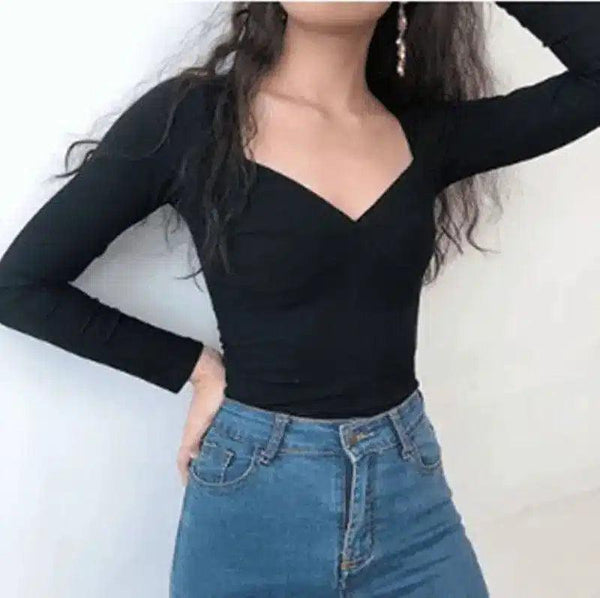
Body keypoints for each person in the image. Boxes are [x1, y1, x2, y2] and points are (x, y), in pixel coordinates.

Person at [0, 2, 598, 596]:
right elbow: (20, 285)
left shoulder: (425, 134)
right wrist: (195, 368)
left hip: (411, 502)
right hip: (254, 503)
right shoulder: (193, 120)